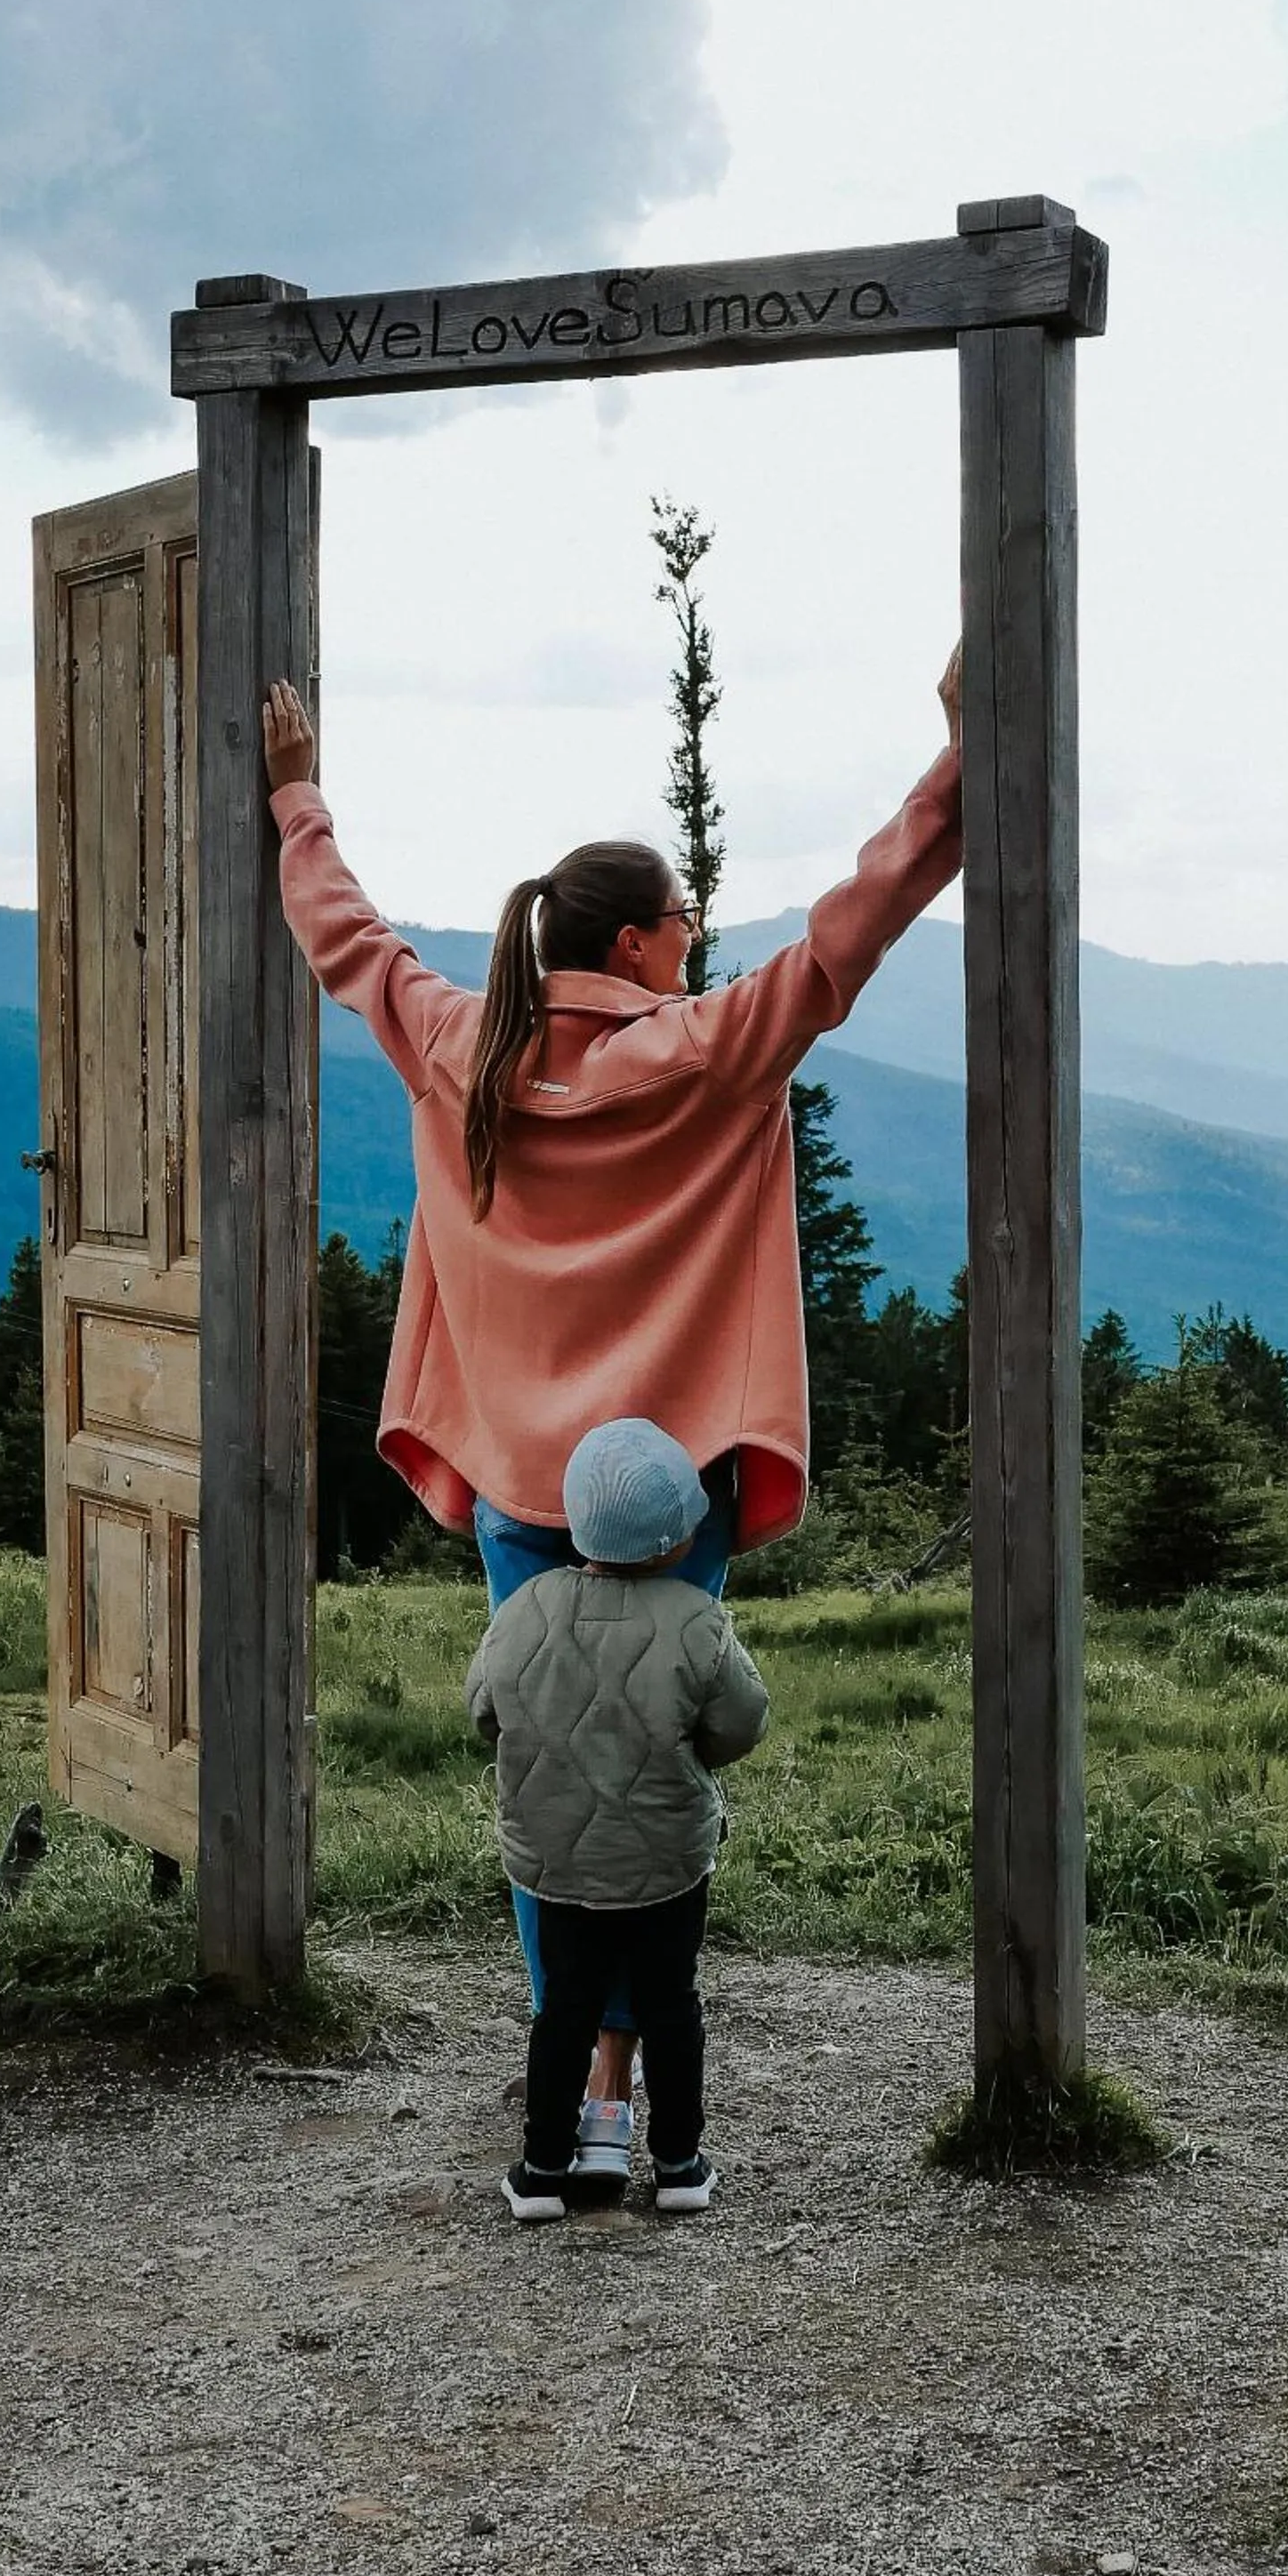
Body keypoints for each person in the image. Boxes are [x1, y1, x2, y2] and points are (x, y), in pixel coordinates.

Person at [264, 640, 962, 2163]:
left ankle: (571, 2081)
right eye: (687, 928)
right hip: (676, 1481)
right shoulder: (705, 1055)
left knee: (553, 1770)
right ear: (643, 947)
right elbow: (858, 928)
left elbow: (345, 937)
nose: (699, 947)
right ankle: (625, 2088)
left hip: (521, 1480)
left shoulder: (460, 1047)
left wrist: (296, 797)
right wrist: (961, 762)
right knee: (653, 1768)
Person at [467, 1417, 769, 2220]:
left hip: (555, 1861)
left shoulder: (524, 1609)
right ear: (677, 1538)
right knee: (672, 2005)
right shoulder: (699, 1623)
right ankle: (677, 2165)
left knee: (563, 2007)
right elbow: (742, 1722)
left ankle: (540, 2172)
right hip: (667, 1862)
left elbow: (483, 1711)